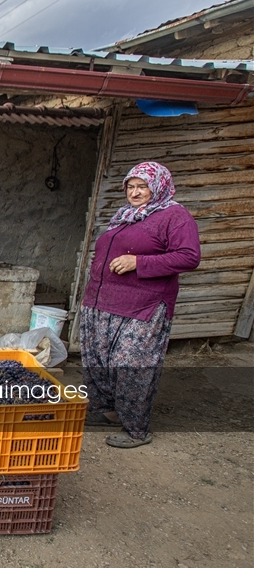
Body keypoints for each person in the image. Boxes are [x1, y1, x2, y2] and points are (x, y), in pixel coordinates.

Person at [80, 162, 200, 448]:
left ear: (157, 187)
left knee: (131, 363)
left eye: (142, 186)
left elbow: (189, 257)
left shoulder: (175, 216)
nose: (135, 192)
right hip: (102, 300)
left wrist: (139, 262)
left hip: (143, 305)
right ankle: (106, 412)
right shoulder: (126, 216)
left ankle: (136, 428)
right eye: (130, 187)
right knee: (98, 360)